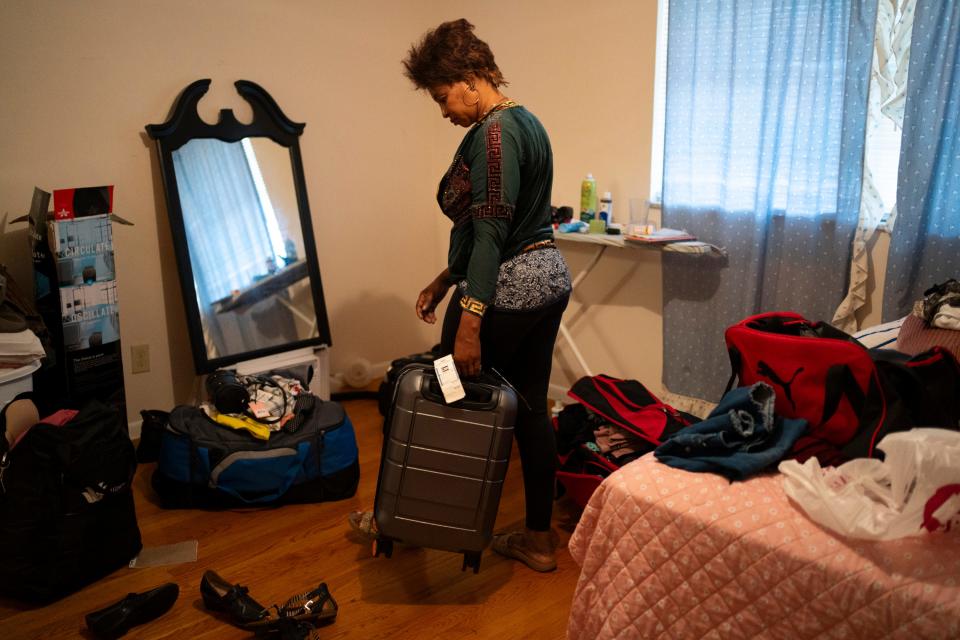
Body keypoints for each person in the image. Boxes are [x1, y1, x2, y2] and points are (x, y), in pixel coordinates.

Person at [404, 18, 572, 572]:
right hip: (547, 281)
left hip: (508, 291)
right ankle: (541, 540)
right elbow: (496, 227)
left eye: (442, 96)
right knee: (530, 409)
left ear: (471, 78)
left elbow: (494, 232)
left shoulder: (494, 136)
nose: (443, 110)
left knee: (447, 392)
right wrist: (444, 277)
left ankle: (416, 522)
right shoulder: (530, 123)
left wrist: (469, 321)